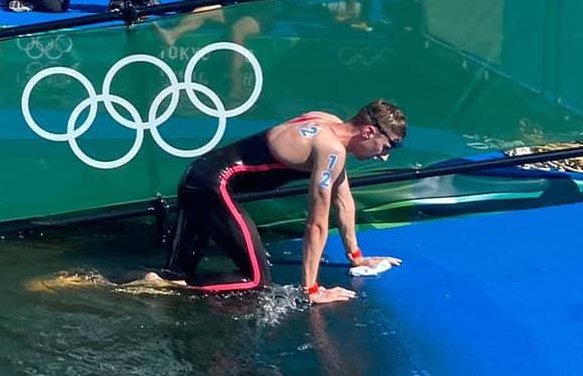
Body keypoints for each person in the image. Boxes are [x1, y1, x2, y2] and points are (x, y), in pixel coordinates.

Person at [160, 100, 406, 303]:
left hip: (199, 175)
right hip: (214, 185)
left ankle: (159, 286)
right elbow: (316, 224)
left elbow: (343, 201)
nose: (384, 157)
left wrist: (357, 256)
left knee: (176, 273)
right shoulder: (332, 150)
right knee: (255, 280)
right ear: (368, 132)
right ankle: (152, 290)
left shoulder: (327, 121)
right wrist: (311, 289)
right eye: (388, 147)